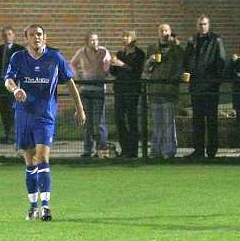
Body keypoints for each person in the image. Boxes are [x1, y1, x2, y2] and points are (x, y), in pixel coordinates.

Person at [5, 23, 86, 221]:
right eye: (32, 35)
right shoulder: (18, 58)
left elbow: (70, 82)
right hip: (24, 113)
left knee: (42, 158)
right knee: (29, 161)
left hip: (45, 115)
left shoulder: (54, 58)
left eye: (39, 34)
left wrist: (80, 108)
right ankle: (33, 207)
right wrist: (15, 90)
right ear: (27, 38)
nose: (36, 37)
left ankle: (46, 207)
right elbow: (8, 80)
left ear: (45, 37)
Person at [184, 14, 226, 158]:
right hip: (196, 86)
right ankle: (199, 150)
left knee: (212, 120)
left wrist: (214, 81)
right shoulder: (192, 41)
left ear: (209, 25)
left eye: (205, 24)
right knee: (197, 121)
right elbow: (187, 61)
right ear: (197, 26)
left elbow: (221, 61)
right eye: (200, 24)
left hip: (210, 87)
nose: (203, 26)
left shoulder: (216, 40)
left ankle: (212, 151)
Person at [144, 23, 184, 159]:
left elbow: (179, 69)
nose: (164, 33)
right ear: (158, 33)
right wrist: (151, 60)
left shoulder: (176, 49)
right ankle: (156, 150)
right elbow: (146, 69)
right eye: (161, 30)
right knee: (156, 123)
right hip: (155, 91)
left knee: (168, 123)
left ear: (170, 32)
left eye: (166, 30)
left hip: (169, 91)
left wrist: (171, 83)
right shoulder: (152, 49)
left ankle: (169, 151)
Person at [69, 30, 111, 158]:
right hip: (86, 89)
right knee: (87, 121)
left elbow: (108, 65)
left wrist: (106, 70)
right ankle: (87, 150)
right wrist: (77, 75)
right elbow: (72, 63)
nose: (95, 42)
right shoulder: (81, 52)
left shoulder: (103, 51)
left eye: (96, 40)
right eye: (92, 40)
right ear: (87, 42)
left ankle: (101, 148)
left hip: (99, 88)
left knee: (100, 121)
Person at [109, 30, 145, 158]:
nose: (125, 38)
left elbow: (136, 71)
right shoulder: (120, 53)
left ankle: (133, 150)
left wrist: (122, 64)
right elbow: (113, 72)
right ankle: (124, 148)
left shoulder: (139, 54)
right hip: (119, 89)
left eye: (127, 36)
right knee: (119, 119)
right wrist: (112, 65)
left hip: (132, 90)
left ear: (134, 39)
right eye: (123, 36)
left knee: (132, 119)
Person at [0, 26, 25, 144]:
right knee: (3, 110)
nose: (7, 37)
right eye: (5, 35)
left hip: (13, 84)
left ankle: (13, 136)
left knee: (13, 110)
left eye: (9, 34)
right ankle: (8, 135)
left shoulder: (19, 49)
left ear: (13, 35)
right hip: (0, 84)